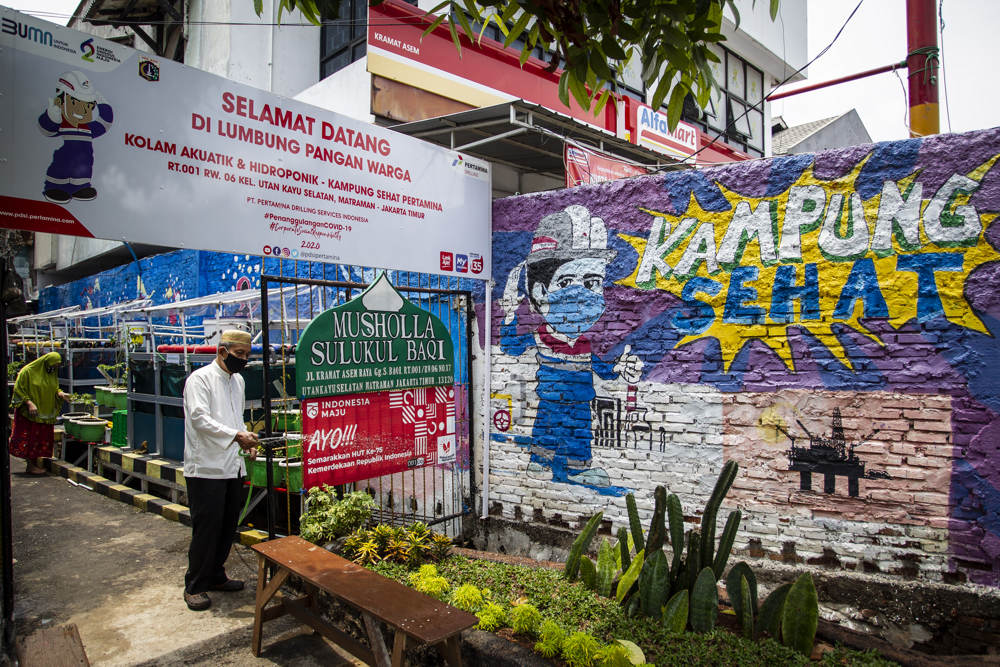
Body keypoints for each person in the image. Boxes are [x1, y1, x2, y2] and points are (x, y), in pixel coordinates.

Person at [500, 204, 642, 494]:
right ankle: (540, 460)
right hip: (550, 400)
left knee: (579, 434)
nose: (581, 294)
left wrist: (618, 368)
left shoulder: (585, 344)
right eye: (566, 282)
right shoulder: (540, 335)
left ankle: (579, 468)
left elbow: (601, 368)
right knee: (547, 429)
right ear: (540, 292)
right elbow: (510, 347)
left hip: (580, 401)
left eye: (592, 283)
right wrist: (509, 315)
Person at [182, 330, 258, 611]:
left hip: (232, 465)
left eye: (247, 355)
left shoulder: (237, 381)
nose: (243, 359)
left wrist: (246, 439)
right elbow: (199, 419)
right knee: (207, 528)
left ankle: (215, 574)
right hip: (206, 467)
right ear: (222, 351)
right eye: (239, 354)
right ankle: (195, 585)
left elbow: (236, 418)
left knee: (227, 526)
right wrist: (237, 436)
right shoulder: (200, 379)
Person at [9, 352, 69, 475]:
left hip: (44, 413)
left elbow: (53, 387)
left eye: (57, 366)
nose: (54, 368)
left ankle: (34, 465)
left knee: (39, 438)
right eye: (53, 365)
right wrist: (29, 403)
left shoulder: (51, 373)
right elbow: (18, 389)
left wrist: (60, 393)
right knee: (29, 439)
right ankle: (31, 466)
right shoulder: (27, 371)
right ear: (46, 362)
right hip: (30, 413)